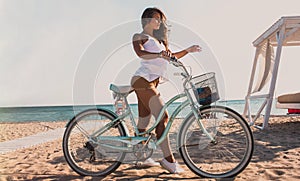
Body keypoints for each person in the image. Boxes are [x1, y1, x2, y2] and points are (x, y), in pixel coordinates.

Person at [131, 7, 201, 174]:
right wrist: (159, 55)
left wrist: (188, 50)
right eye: (156, 18)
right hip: (142, 81)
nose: (159, 22)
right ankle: (169, 161)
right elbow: (141, 53)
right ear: (146, 19)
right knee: (163, 116)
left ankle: (141, 157)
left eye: (160, 19)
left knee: (143, 123)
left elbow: (171, 56)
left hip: (152, 84)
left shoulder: (160, 42)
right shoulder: (139, 37)